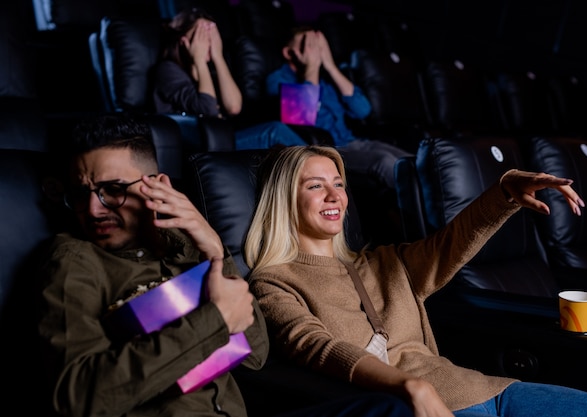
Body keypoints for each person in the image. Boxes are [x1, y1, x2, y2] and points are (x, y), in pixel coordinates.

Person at [36, 114, 417, 417]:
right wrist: (214, 320)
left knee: (389, 409)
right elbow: (78, 398)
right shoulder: (74, 261)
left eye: (113, 190)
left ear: (157, 185)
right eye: (79, 193)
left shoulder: (187, 249)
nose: (92, 209)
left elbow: (254, 354)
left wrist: (213, 248)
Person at [244, 145, 587, 417]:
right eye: (315, 185)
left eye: (339, 183)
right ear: (284, 201)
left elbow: (452, 244)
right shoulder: (273, 283)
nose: (334, 195)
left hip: (492, 390)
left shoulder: (385, 262)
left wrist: (505, 190)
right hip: (421, 408)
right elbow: (319, 348)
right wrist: (413, 386)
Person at [266, 27, 413, 192]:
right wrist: (312, 68)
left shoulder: (327, 79)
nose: (315, 49)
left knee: (412, 161)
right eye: (308, 44)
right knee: (385, 161)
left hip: (355, 142)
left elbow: (363, 110)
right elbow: (300, 121)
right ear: (288, 52)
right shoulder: (278, 79)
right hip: (328, 151)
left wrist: (330, 65)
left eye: (318, 45)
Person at [152, 7, 308, 150]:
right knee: (273, 132)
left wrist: (218, 56)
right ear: (184, 41)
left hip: (221, 139)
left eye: (212, 34)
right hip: (195, 143)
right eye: (202, 34)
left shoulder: (210, 73)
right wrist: (199, 60)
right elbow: (209, 110)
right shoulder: (168, 70)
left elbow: (234, 107)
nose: (209, 41)